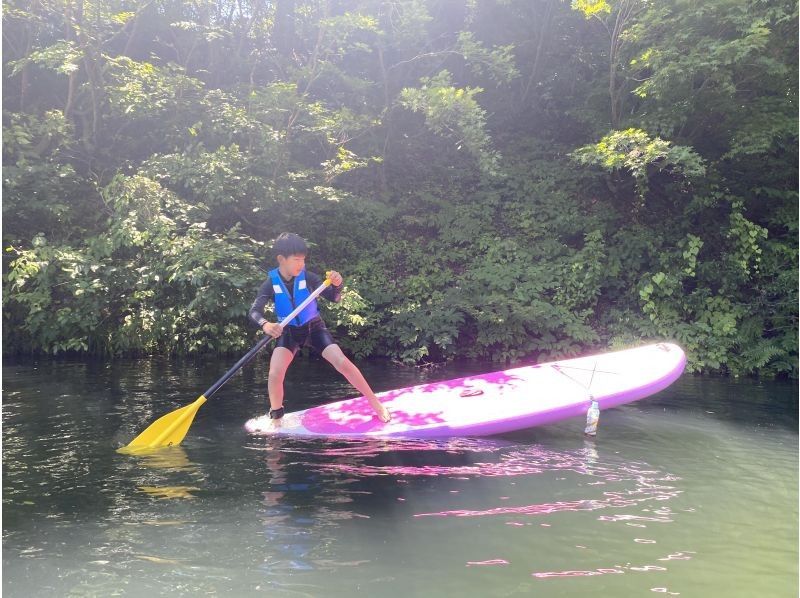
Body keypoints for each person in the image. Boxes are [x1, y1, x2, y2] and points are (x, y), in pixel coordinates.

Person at [248, 232, 391, 427]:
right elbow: (254, 311)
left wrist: (338, 285)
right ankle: (276, 417)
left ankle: (375, 403)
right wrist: (266, 324)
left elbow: (335, 298)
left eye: (303, 259)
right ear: (281, 259)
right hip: (289, 332)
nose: (301, 264)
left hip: (314, 328)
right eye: (296, 259)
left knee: (341, 362)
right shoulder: (270, 284)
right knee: (274, 374)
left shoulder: (309, 278)